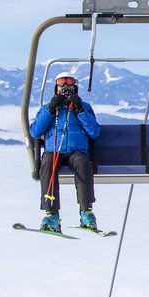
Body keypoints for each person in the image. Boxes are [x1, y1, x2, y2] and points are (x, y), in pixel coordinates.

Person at [29, 72, 101, 232]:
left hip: (76, 151)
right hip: (54, 150)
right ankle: (51, 213)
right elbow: (35, 131)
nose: (66, 87)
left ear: (75, 88)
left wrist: (80, 109)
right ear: (56, 88)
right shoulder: (48, 108)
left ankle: (86, 211)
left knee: (82, 163)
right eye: (62, 84)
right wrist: (50, 109)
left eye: (69, 84)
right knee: (47, 164)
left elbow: (94, 131)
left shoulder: (84, 108)